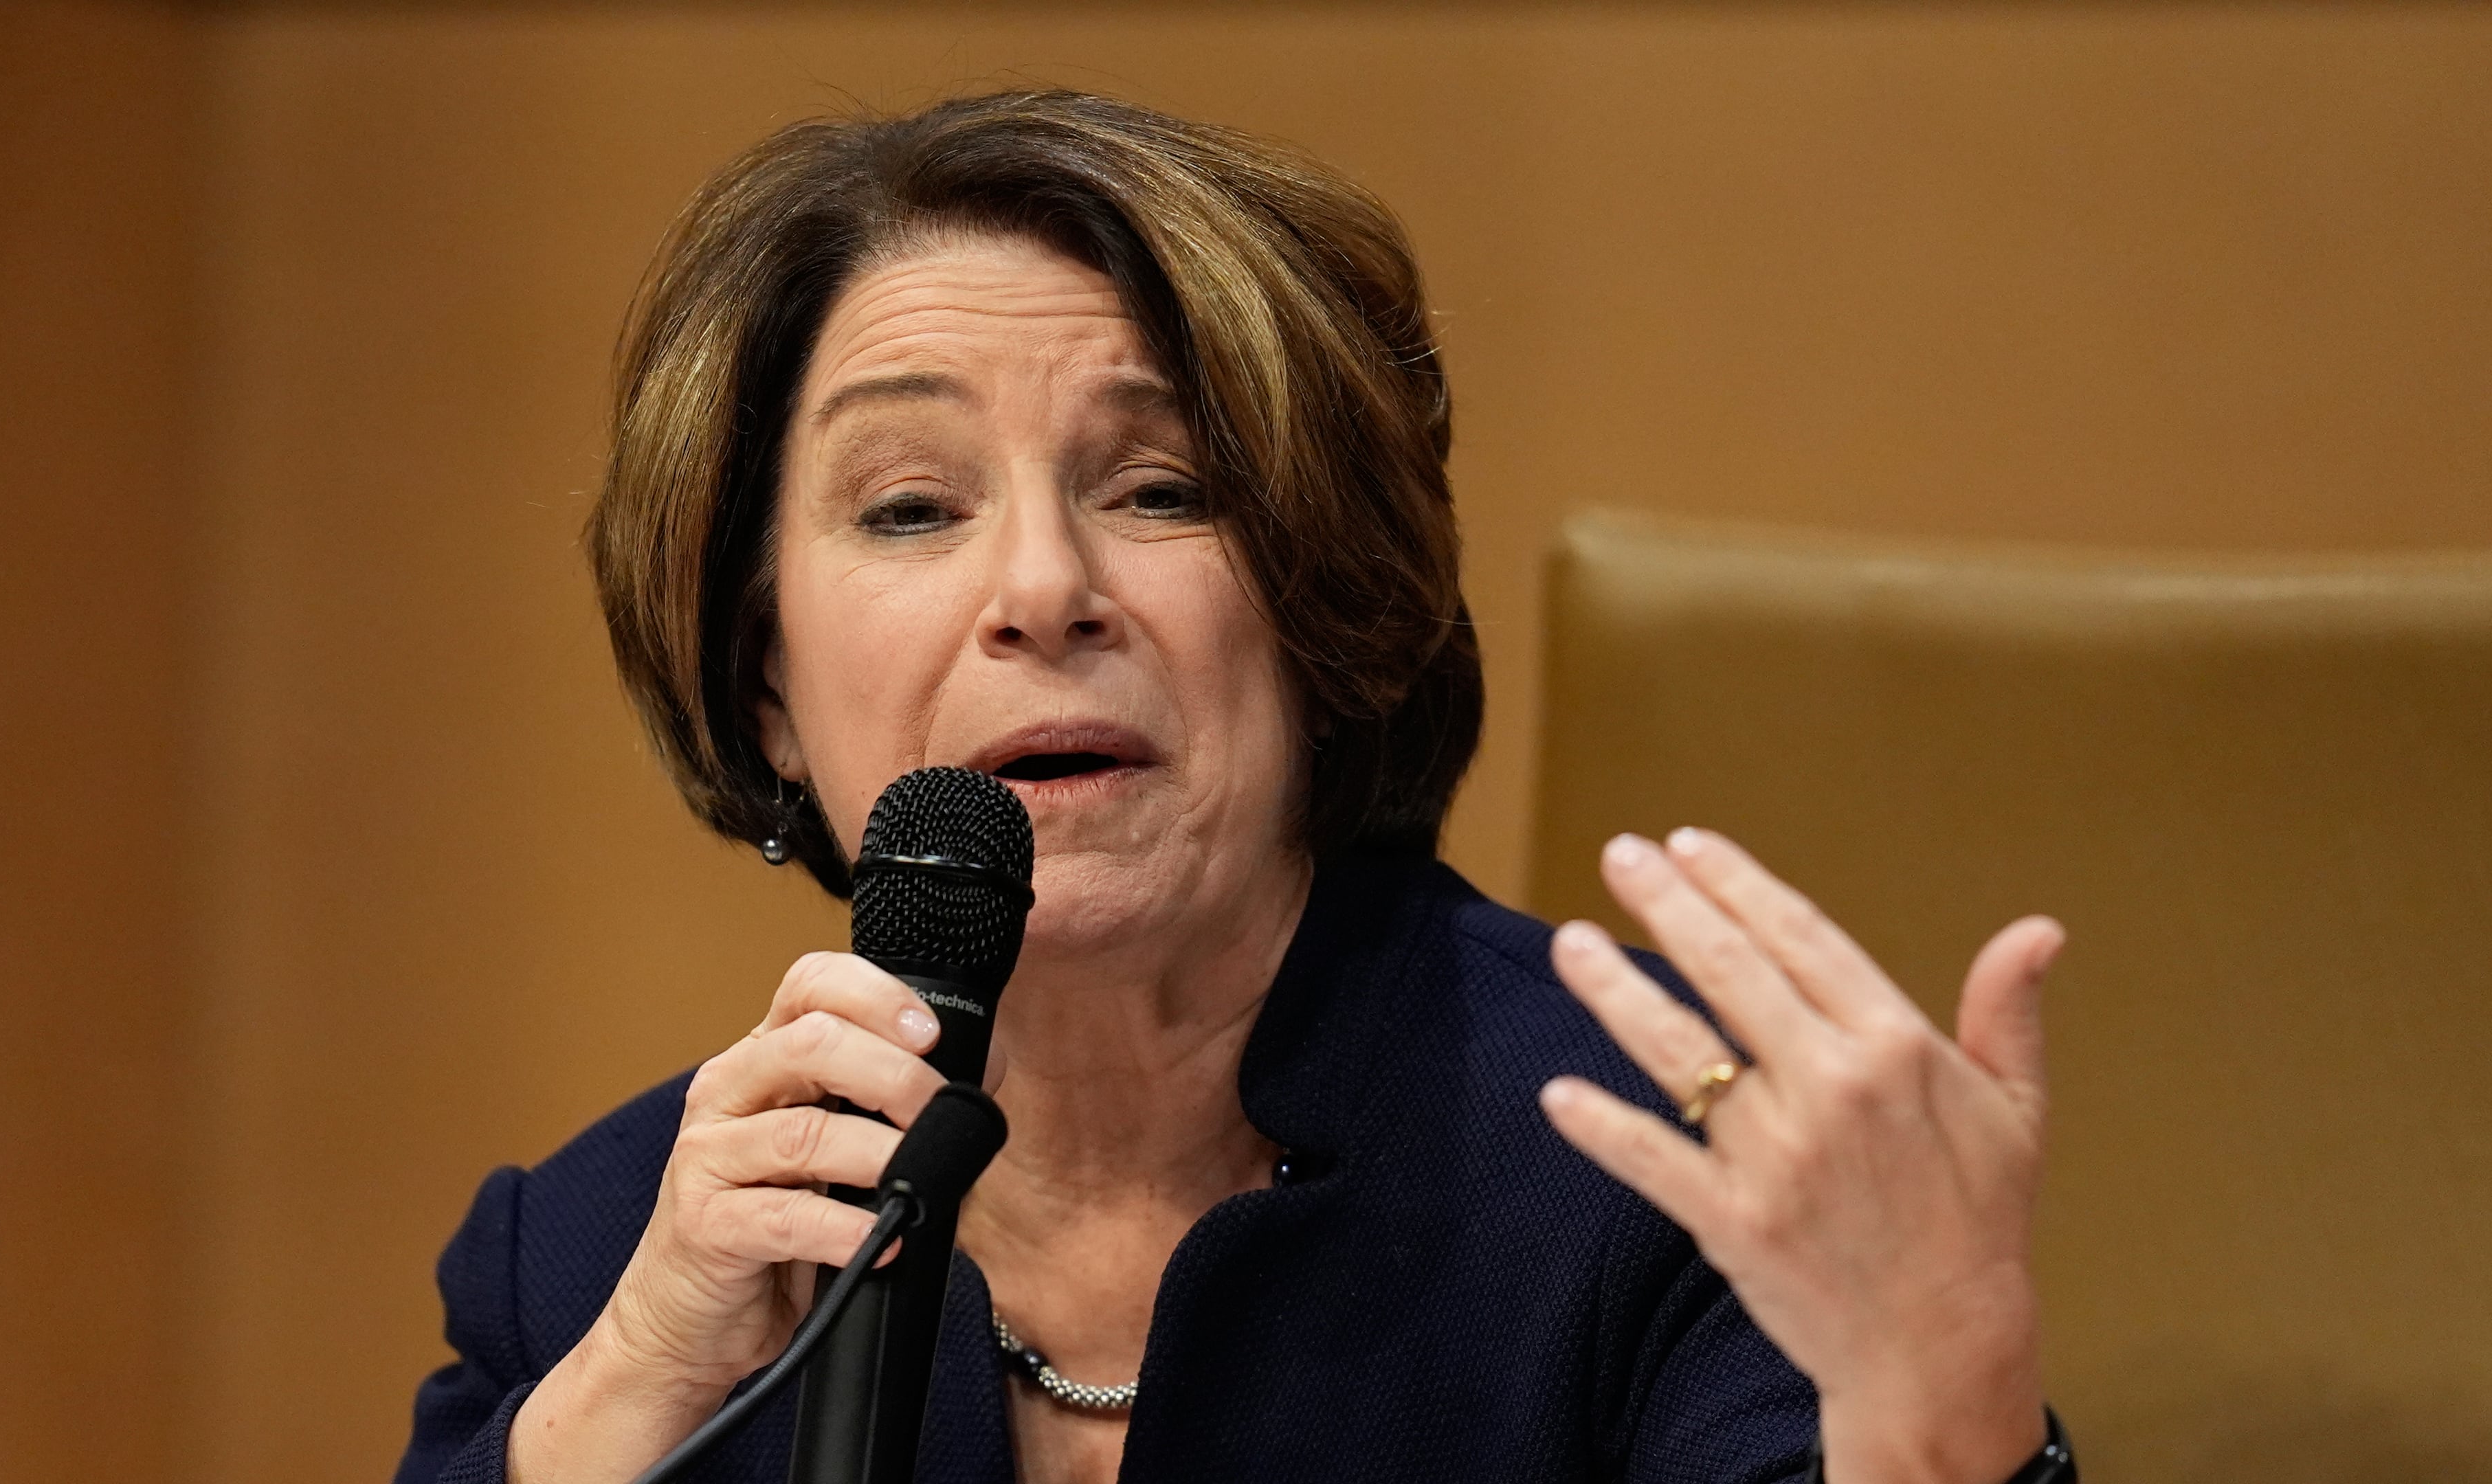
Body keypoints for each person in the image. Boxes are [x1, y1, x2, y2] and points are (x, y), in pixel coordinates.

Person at [397, 91, 2070, 1484]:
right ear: (766, 686)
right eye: (909, 508)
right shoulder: (598, 1264)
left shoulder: (1668, 1175)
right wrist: (621, 1402)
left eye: (1162, 488)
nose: (1043, 588)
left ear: (1320, 615)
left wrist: (1944, 1424)